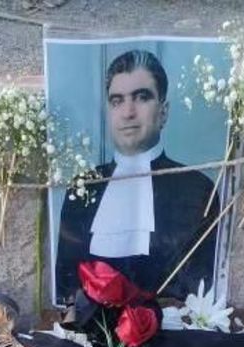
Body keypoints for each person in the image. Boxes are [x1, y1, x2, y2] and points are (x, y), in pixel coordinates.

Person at [55, 49, 221, 304]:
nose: (128, 112)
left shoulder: (198, 190)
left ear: (163, 112)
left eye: (142, 97)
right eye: (117, 101)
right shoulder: (83, 188)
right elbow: (65, 289)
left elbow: (199, 291)